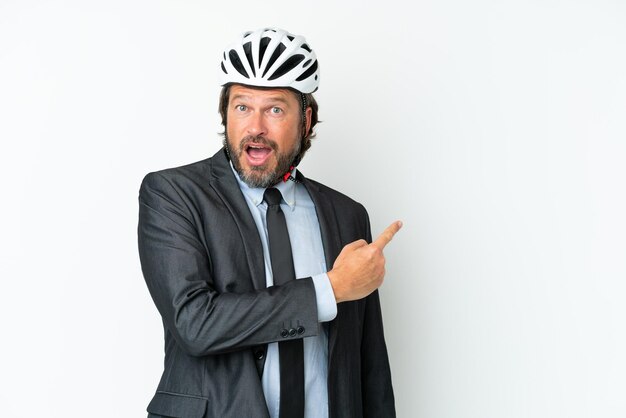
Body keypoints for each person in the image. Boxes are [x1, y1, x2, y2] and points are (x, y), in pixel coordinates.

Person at [138, 27, 401, 418]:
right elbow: (194, 323)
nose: (255, 126)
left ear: (306, 119)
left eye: (275, 109)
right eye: (242, 107)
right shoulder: (173, 195)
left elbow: (368, 362)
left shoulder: (347, 215)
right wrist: (329, 290)